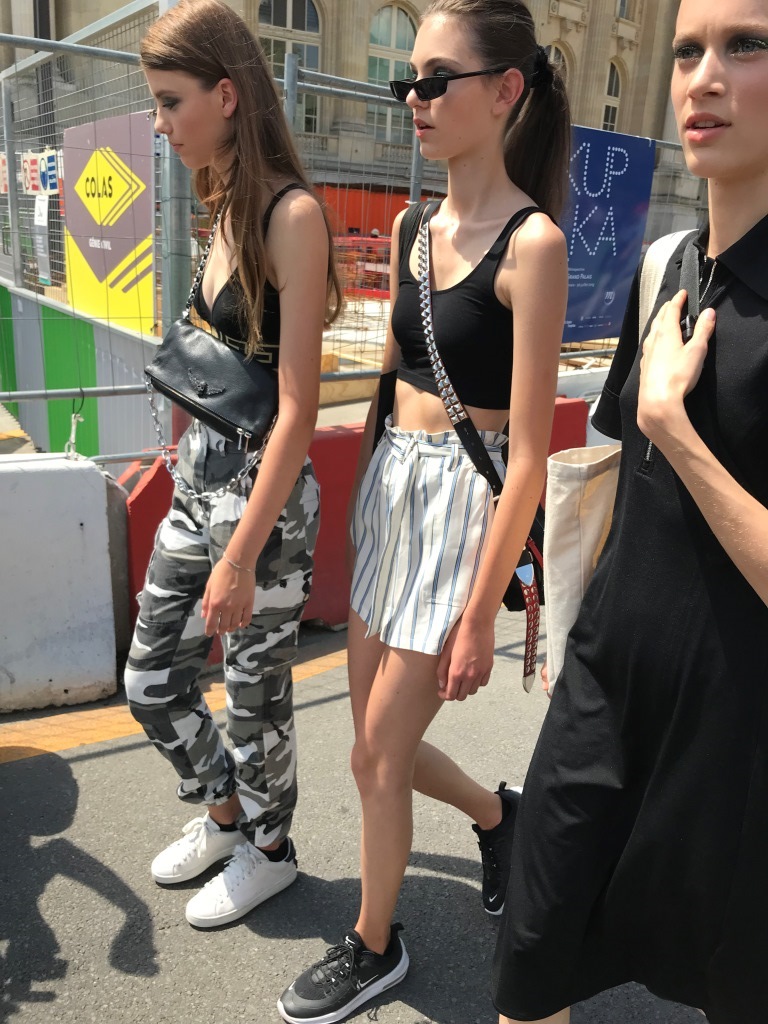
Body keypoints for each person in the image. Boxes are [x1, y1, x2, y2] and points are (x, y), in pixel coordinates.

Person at [278, 1, 569, 1020]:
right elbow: (394, 380)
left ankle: (374, 944)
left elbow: (527, 454)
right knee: (374, 744)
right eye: (409, 79)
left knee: (375, 754)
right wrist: (360, 506)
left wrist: (483, 611)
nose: (414, 97)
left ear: (505, 90)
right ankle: (499, 817)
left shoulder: (534, 244)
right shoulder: (410, 228)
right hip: (391, 490)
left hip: (462, 510)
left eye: (437, 79)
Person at [492, 1, 768, 1022]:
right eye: (688, 49)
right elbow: (623, 482)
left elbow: (659, 442)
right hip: (606, 688)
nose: (702, 76)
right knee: (531, 956)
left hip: (739, 728)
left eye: (746, 46)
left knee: (731, 981)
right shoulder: (664, 266)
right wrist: (568, 621)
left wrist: (674, 427)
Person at [124, 0, 341, 930]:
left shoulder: (292, 215)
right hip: (197, 482)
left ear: (226, 95)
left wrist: (242, 556)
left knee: (255, 699)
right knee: (151, 677)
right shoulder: (219, 202)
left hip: (264, 505)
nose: (159, 124)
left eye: (170, 102)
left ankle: (272, 851)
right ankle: (224, 818)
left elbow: (299, 409)